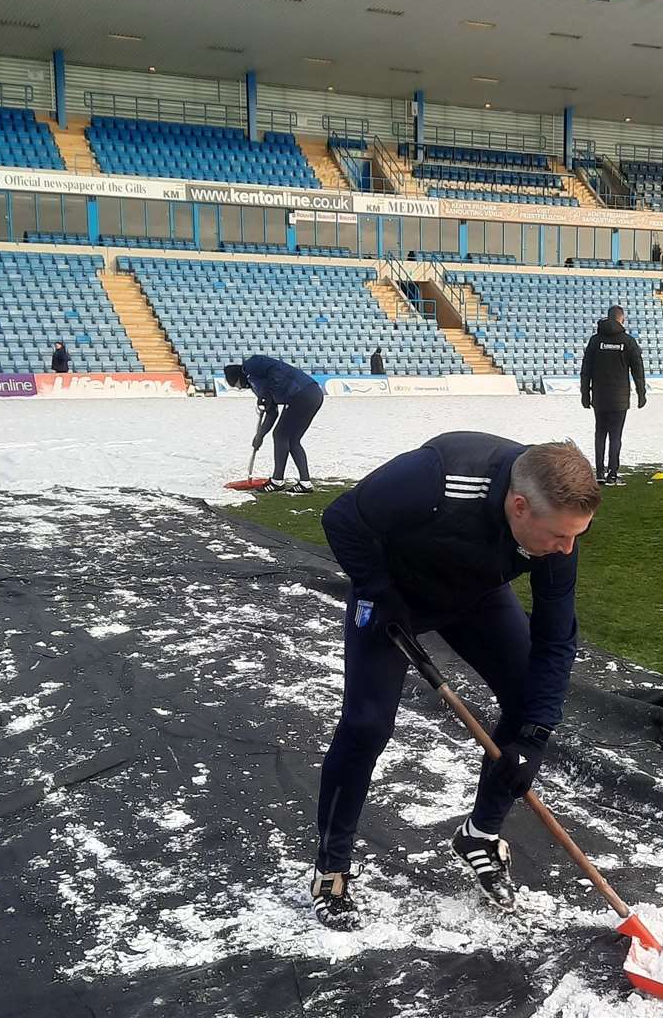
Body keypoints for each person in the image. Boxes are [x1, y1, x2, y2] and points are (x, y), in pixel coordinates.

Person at [312, 434, 600, 928]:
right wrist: (381, 593)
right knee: (366, 726)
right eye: (559, 536)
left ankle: (480, 834)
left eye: (576, 536)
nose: (567, 548)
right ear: (518, 506)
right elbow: (342, 519)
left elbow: (556, 637)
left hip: (474, 595)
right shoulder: (436, 477)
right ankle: (331, 863)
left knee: (528, 701)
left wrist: (533, 737)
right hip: (392, 596)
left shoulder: (558, 535)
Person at [223, 355, 324, 493]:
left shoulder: (251, 365)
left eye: (236, 385)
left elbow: (275, 368)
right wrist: (260, 435)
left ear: (239, 377)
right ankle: (305, 483)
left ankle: (277, 481)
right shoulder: (257, 387)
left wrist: (270, 392)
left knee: (280, 435)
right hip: (312, 394)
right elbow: (272, 413)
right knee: (293, 440)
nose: (240, 388)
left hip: (302, 394)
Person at [579, 305, 646, 485]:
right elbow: (638, 370)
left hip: (599, 397)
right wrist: (641, 393)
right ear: (621, 318)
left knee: (600, 433)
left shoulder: (595, 341)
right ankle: (613, 474)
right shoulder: (628, 341)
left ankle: (599, 472)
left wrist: (585, 394)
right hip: (619, 398)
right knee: (616, 436)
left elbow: (585, 369)